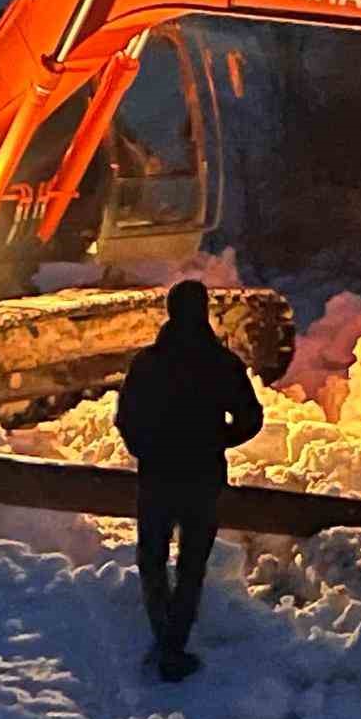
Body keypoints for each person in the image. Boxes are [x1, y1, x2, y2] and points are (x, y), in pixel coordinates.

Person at [115, 280, 263, 681]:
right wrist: (220, 440)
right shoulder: (222, 364)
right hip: (203, 476)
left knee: (152, 558)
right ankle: (175, 641)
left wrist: (145, 449)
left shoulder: (147, 363)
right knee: (192, 563)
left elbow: (125, 418)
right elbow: (251, 419)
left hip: (157, 476)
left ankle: (163, 635)